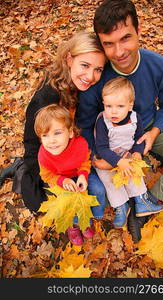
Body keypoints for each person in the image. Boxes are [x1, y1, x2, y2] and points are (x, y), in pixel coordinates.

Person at [75, 0, 163, 239]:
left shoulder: (159, 66)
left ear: (139, 31)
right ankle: (125, 201)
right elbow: (85, 123)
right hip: (111, 137)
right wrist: (97, 155)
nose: (119, 52)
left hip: (147, 128)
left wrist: (154, 132)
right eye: (109, 44)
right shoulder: (97, 75)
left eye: (125, 38)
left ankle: (149, 200)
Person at [1, 31, 107, 217]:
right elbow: (32, 142)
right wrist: (41, 176)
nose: (90, 76)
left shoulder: (85, 86)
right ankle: (19, 167)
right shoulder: (47, 97)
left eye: (98, 69)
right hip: (48, 153)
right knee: (40, 204)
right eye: (85, 65)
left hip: (72, 150)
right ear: (69, 59)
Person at [95, 77, 163, 228]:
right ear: (103, 104)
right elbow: (101, 148)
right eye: (108, 106)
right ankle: (121, 206)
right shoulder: (102, 122)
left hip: (128, 154)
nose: (113, 111)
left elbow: (139, 137)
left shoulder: (135, 118)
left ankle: (141, 201)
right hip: (108, 159)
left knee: (134, 173)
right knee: (110, 181)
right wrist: (118, 162)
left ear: (130, 105)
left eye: (120, 106)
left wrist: (138, 153)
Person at [34, 104, 95, 245]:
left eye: (57, 133)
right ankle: (72, 226)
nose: (52, 140)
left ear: (71, 132)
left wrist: (83, 175)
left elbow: (85, 161)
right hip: (59, 180)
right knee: (67, 203)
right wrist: (62, 181)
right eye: (45, 135)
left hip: (78, 175)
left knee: (92, 191)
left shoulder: (80, 144)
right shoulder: (43, 156)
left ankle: (85, 221)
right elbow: (47, 176)